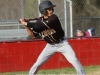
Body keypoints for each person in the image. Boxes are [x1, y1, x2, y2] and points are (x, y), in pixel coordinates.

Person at [19, 0, 86, 75]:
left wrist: (25, 22)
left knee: (74, 59)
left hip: (63, 43)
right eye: (49, 9)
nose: (52, 10)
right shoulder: (39, 21)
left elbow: (40, 25)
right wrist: (26, 26)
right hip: (50, 46)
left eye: (52, 9)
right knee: (38, 63)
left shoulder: (54, 18)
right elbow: (33, 36)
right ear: (43, 11)